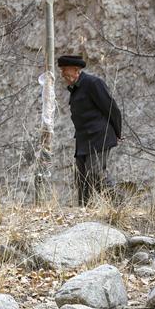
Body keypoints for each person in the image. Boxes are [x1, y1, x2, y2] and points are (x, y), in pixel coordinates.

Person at [57, 54, 122, 206]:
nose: (62, 74)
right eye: (61, 70)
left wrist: (118, 132)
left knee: (95, 172)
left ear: (76, 69)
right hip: (83, 139)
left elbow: (112, 109)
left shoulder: (93, 83)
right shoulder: (75, 88)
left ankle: (119, 206)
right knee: (82, 178)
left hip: (100, 136)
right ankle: (84, 210)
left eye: (65, 69)